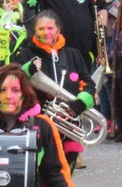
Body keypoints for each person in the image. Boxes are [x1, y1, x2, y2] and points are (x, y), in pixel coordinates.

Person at [10, 11, 97, 169]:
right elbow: (14, 82)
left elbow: (89, 84)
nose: (46, 32)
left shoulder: (73, 55)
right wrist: (28, 69)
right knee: (42, 170)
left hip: (69, 124)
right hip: (38, 122)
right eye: (41, 29)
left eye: (50, 28)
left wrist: (81, 103)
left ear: (58, 30)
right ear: (35, 31)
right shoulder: (26, 54)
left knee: (66, 171)